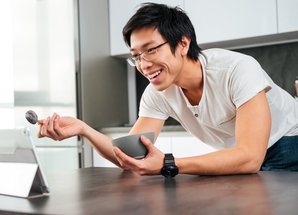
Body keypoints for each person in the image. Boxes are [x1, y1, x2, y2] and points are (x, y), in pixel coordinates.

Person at [38, 3, 298, 176]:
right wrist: (84, 129)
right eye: (136, 56)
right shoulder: (158, 92)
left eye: (151, 50)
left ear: (183, 43)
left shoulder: (237, 69)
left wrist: (168, 164)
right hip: (239, 158)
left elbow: (250, 157)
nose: (143, 64)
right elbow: (131, 155)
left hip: (288, 143)